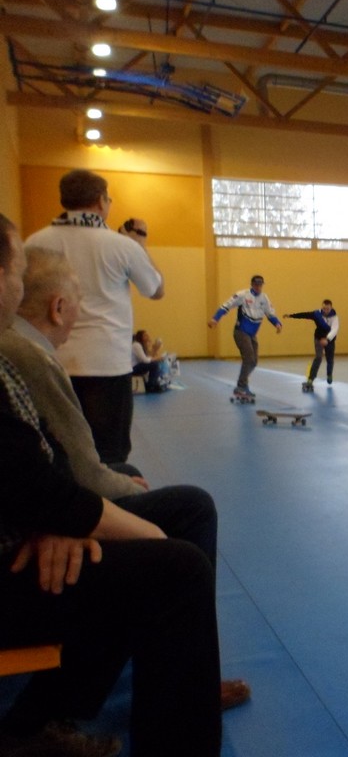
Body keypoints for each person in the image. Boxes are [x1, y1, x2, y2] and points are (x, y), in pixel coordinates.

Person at [0, 214, 224, 757]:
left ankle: (176, 676)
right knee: (176, 563)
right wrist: (75, 519)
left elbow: (34, 469)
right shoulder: (23, 354)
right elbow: (52, 478)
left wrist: (58, 519)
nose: (19, 284)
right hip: (12, 556)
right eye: (14, 269)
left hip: (25, 526)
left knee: (182, 511)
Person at [24, 169, 164, 465]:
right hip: (107, 365)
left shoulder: (34, 242)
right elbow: (156, 290)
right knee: (109, 455)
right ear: (101, 201)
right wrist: (139, 245)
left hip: (51, 363)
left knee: (57, 454)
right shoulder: (121, 245)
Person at [208, 275, 283, 398]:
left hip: (252, 334)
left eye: (260, 285)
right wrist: (215, 319)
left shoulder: (264, 298)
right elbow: (226, 306)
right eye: (256, 284)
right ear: (252, 284)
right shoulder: (242, 295)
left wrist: (277, 324)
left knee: (253, 361)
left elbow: (270, 313)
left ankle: (244, 384)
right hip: (241, 332)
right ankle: (241, 386)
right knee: (248, 357)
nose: (258, 287)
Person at [284, 299, 339, 389]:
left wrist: (327, 339)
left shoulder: (334, 317)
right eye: (324, 308)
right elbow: (304, 315)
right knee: (318, 358)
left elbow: (334, 329)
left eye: (328, 309)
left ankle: (329, 374)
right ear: (322, 307)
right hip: (318, 338)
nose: (325, 311)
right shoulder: (317, 314)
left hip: (330, 340)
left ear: (331, 308)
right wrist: (291, 315)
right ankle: (310, 379)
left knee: (330, 359)